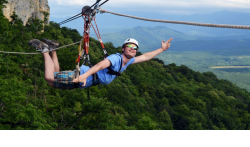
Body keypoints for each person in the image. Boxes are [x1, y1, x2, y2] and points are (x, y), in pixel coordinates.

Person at [28, 37, 173, 89]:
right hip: (84, 77)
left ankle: (53, 49)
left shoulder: (127, 61)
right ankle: (45, 50)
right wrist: (84, 77)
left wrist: (161, 49)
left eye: (135, 48)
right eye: (129, 46)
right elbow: (98, 66)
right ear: (123, 49)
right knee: (49, 78)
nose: (133, 49)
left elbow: (146, 56)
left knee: (53, 81)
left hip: (86, 81)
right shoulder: (116, 59)